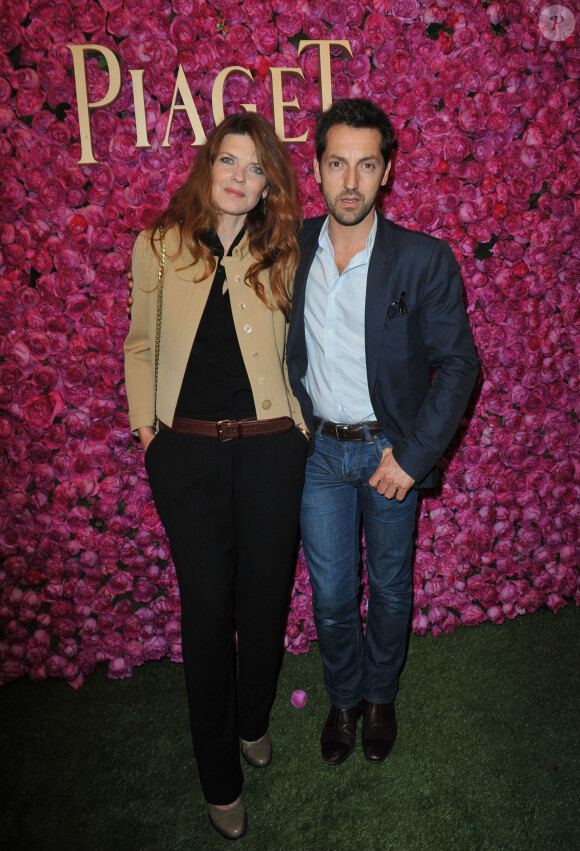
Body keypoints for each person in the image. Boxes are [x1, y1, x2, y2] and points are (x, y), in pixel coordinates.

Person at [124, 112, 309, 840]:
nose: (239, 176)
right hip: (188, 456)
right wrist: (149, 433)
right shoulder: (159, 246)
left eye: (255, 167)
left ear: (269, 185)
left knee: (263, 602)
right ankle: (218, 776)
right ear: (207, 167)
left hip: (270, 450)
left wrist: (297, 428)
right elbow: (141, 344)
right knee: (207, 614)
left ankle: (254, 718)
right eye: (228, 161)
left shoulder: (286, 250)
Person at [286, 98, 479, 766]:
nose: (350, 181)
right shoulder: (292, 247)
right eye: (336, 163)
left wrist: (415, 454)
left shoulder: (423, 259)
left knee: (391, 589)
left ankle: (380, 696)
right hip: (318, 455)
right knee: (333, 594)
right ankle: (343, 698)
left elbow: (459, 364)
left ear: (386, 171)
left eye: (365, 165)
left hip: (389, 453)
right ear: (316, 168)